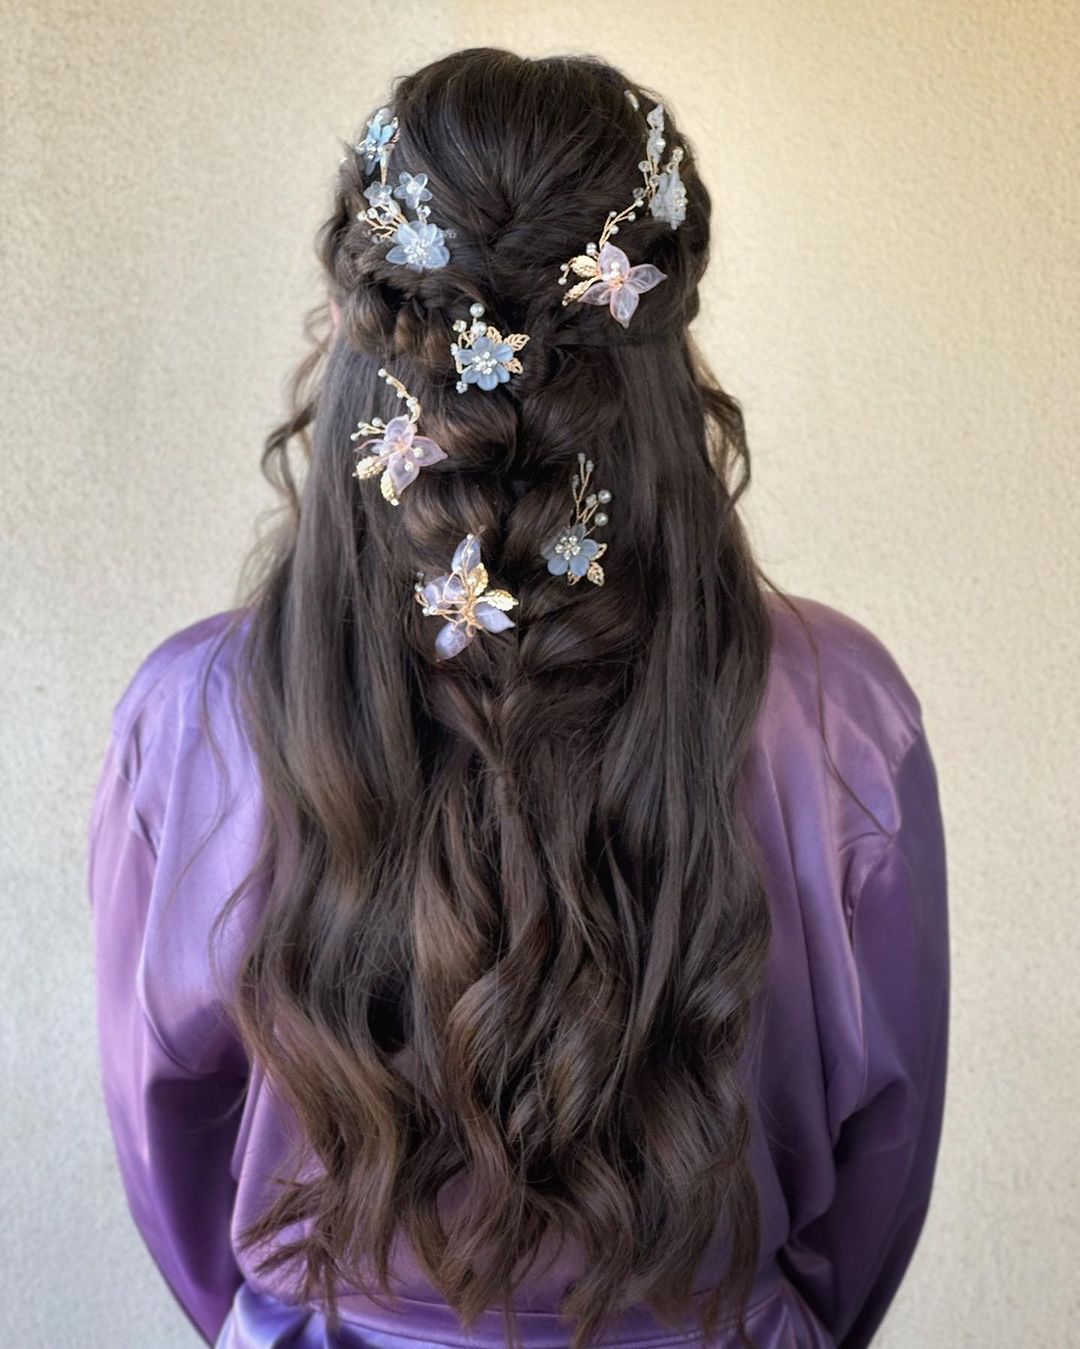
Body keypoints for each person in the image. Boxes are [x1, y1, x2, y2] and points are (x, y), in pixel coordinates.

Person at [86, 47, 949, 1349]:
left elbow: (173, 1135)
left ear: (353, 325)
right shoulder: (836, 709)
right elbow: (878, 1155)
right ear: (660, 341)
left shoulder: (197, 711)